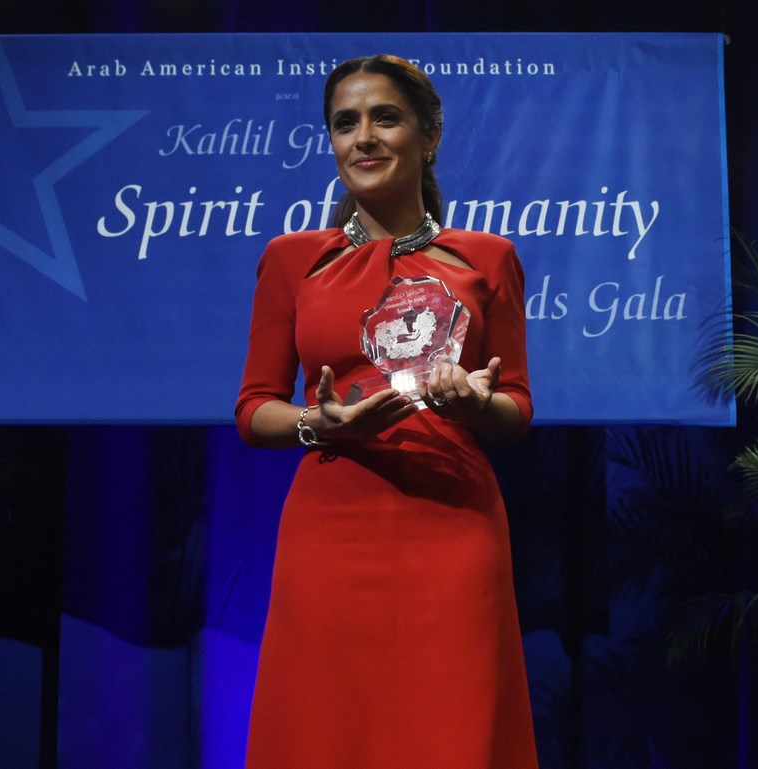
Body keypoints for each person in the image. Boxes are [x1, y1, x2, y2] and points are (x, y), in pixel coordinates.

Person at [235, 54, 539, 769]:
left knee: (448, 732)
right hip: (330, 528)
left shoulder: (488, 259)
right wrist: (320, 424)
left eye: (385, 118)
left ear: (428, 136)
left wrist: (476, 400)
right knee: (324, 730)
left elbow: (518, 404)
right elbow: (254, 410)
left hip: (452, 527)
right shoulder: (290, 260)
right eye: (346, 124)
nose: (363, 137)